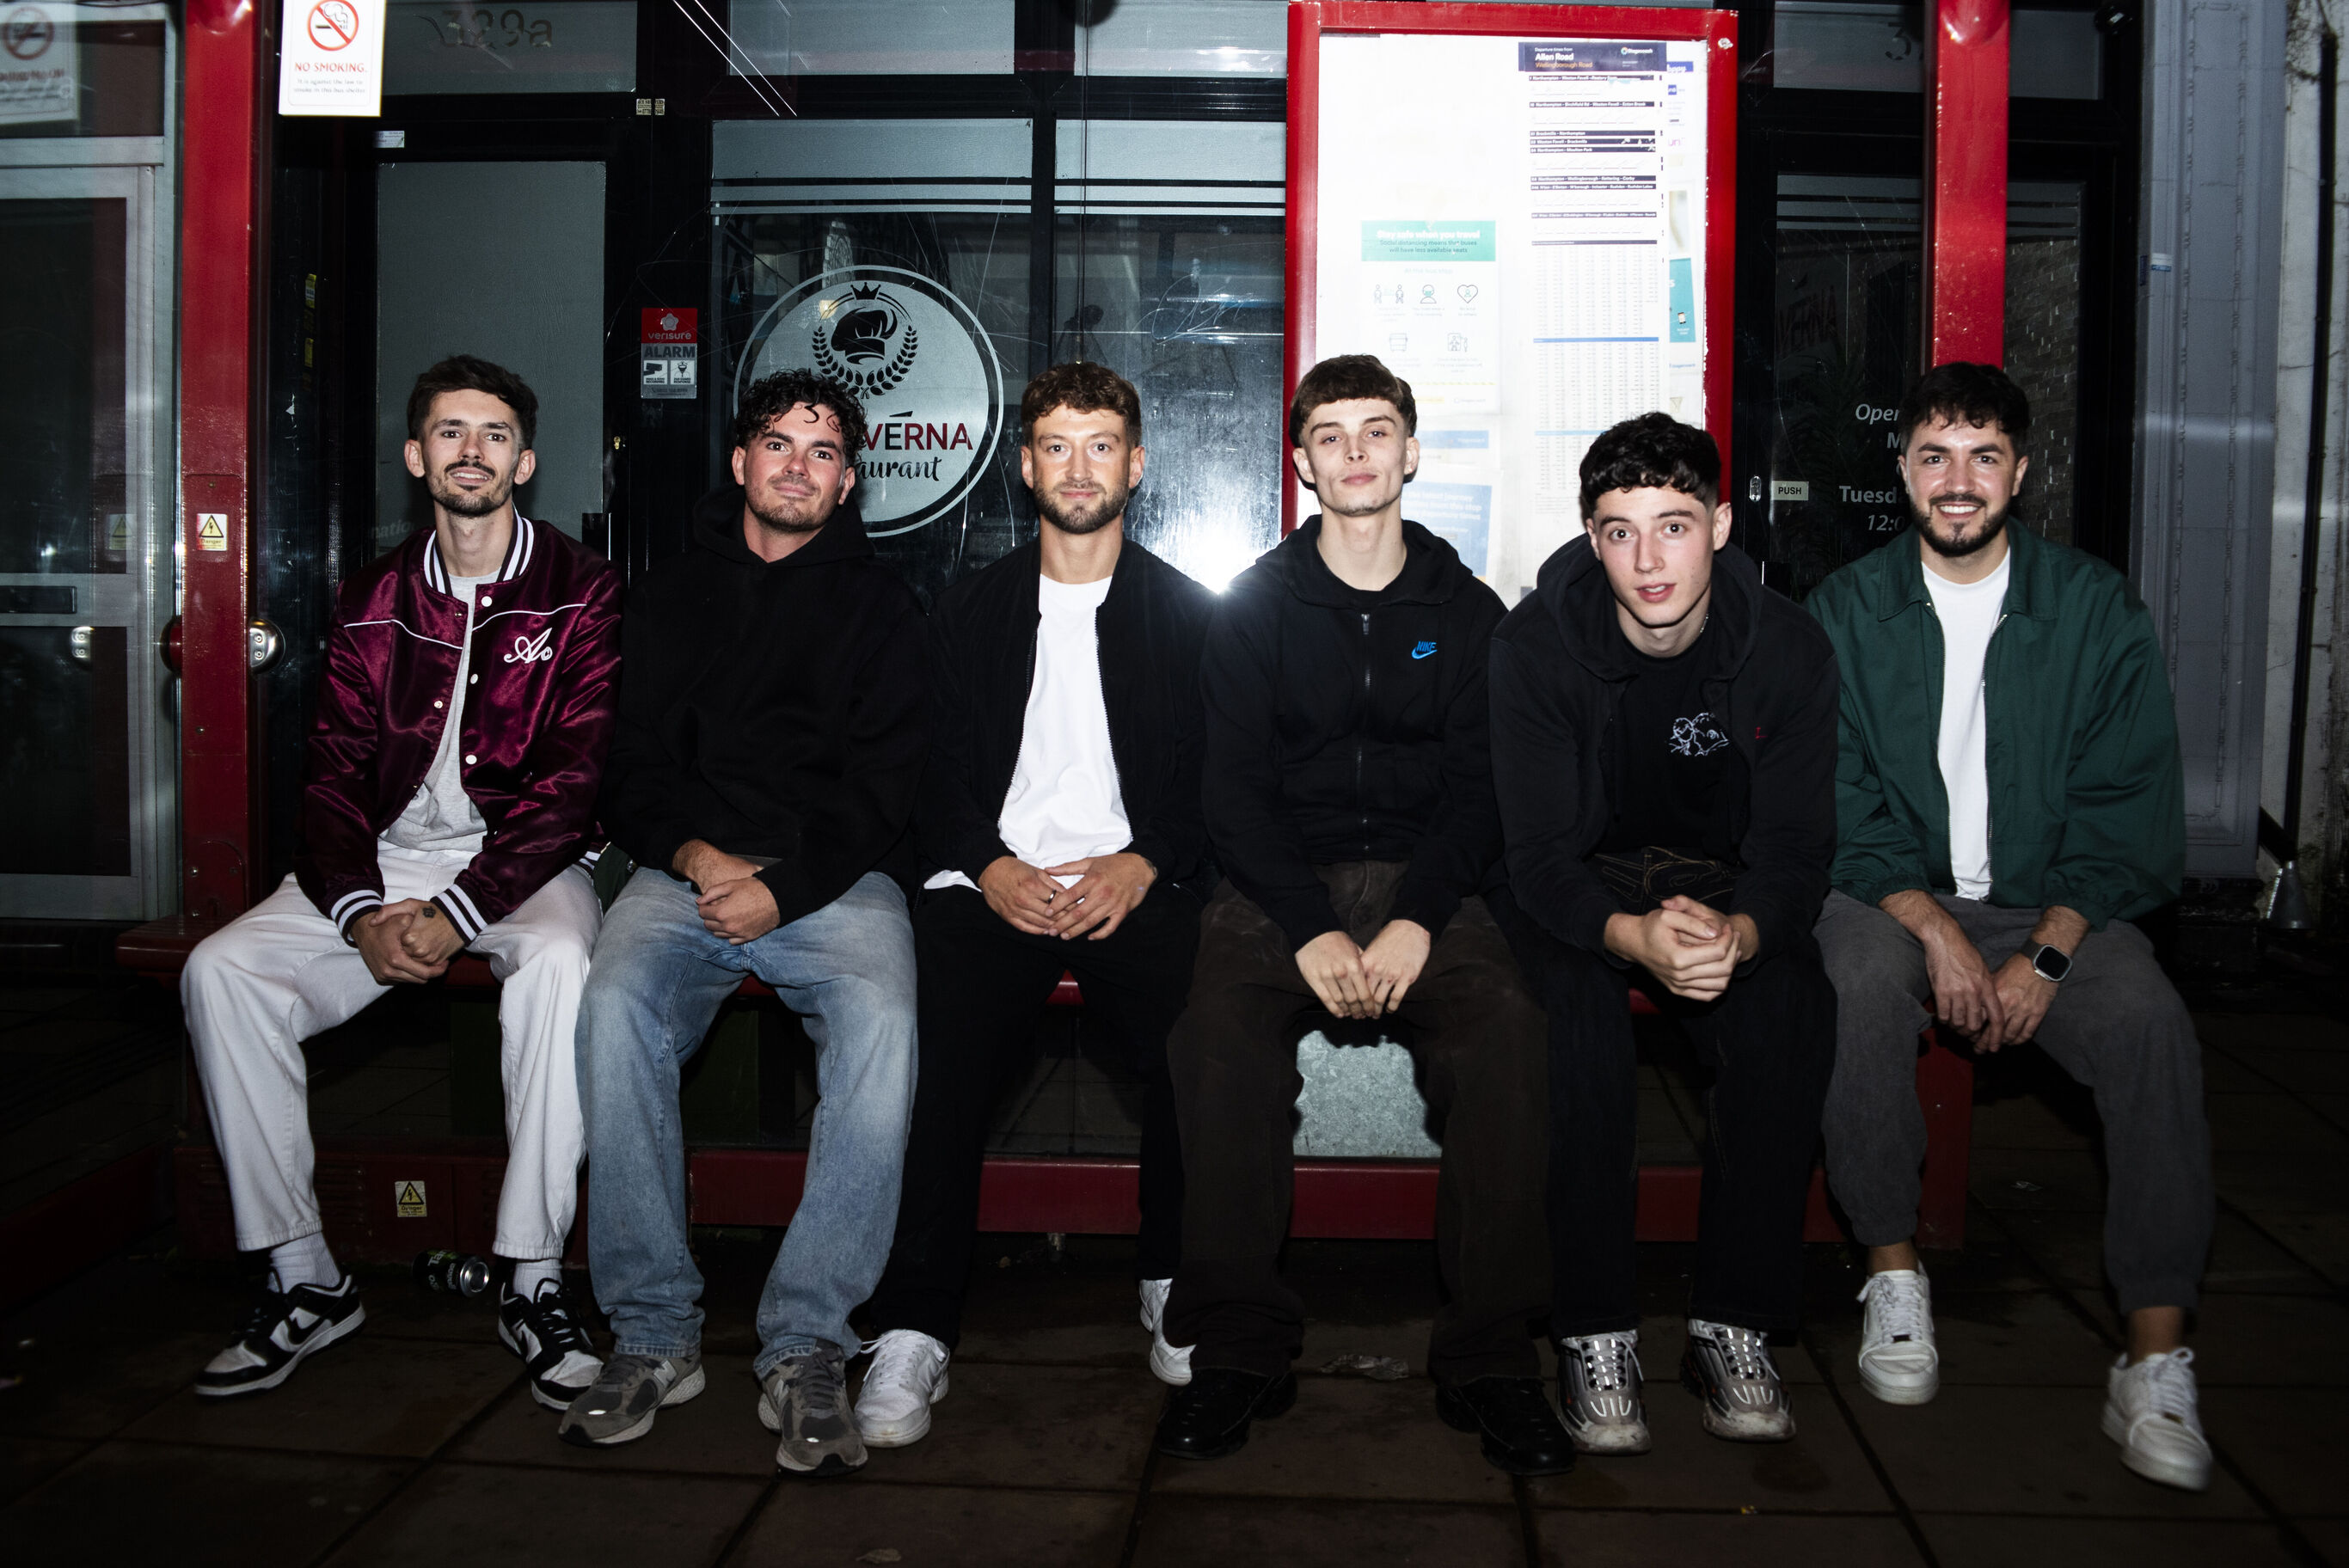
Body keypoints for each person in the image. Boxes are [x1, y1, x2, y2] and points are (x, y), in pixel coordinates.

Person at [1153, 354, 1568, 1477]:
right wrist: (1307, 926)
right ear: (1301, 462)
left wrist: (1420, 917)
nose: (1353, 452)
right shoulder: (1255, 607)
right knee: (1216, 1038)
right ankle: (1239, 1349)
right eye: (1330, 435)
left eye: (1375, 431)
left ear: (1410, 452)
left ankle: (1489, 1359)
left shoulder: (1467, 613)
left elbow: (1484, 792)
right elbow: (1231, 796)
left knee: (1509, 1035)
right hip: (1278, 885)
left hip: (1431, 883)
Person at [182, 356, 621, 1405]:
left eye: (495, 434)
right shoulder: (373, 596)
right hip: (386, 858)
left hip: (525, 858)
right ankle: (305, 1275)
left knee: (560, 964)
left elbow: (572, 783)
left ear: (525, 461)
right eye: (450, 432)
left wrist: (461, 910)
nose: (473, 450)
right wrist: (361, 914)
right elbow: (332, 773)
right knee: (221, 972)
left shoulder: (580, 589)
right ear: (418, 456)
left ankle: (532, 1274)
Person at [1807, 362, 2212, 1491]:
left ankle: (2154, 1353)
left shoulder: (2093, 609)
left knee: (2149, 1025)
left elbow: (2126, 805)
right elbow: (1833, 796)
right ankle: (1892, 1270)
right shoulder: (1846, 609)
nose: (1958, 481)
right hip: (1891, 893)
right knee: (1851, 984)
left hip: (2051, 899)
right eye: (1934, 456)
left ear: (2020, 472)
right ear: (1902, 471)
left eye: (1983, 457)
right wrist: (1931, 927)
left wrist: (2047, 952)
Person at [563, 369, 926, 1477]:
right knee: (614, 1007)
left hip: (834, 879)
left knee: (881, 1025)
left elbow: (887, 788)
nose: (797, 467)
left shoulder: (884, 607)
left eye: (823, 452)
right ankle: (653, 1334)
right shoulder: (668, 595)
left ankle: (807, 1340)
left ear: (848, 481)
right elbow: (626, 765)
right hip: (685, 873)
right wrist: (692, 856)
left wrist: (787, 885)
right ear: (739, 461)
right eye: (777, 443)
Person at [854, 362, 1217, 1447]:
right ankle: (913, 1325)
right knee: (938, 1056)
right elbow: (927, 769)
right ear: (1025, 467)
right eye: (1056, 446)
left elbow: (1216, 777)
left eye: (1100, 445)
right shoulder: (969, 609)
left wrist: (1141, 863)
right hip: (992, 881)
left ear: (1135, 466)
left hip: (1131, 880)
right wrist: (987, 862)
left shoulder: (1186, 616)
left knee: (1198, 1038)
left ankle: (1171, 1276)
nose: (1078, 467)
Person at [1487, 413, 1840, 1451]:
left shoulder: (1787, 647)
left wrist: (1743, 934)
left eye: (1673, 526)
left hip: (1721, 881)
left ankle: (1734, 1322)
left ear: (1719, 527)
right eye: (1618, 531)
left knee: (1789, 1006)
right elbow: (1534, 858)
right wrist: (1625, 937)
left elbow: (1796, 850)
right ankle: (1593, 1330)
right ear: (1590, 537)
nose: (1646, 560)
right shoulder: (1533, 645)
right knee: (1572, 1021)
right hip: (1583, 880)